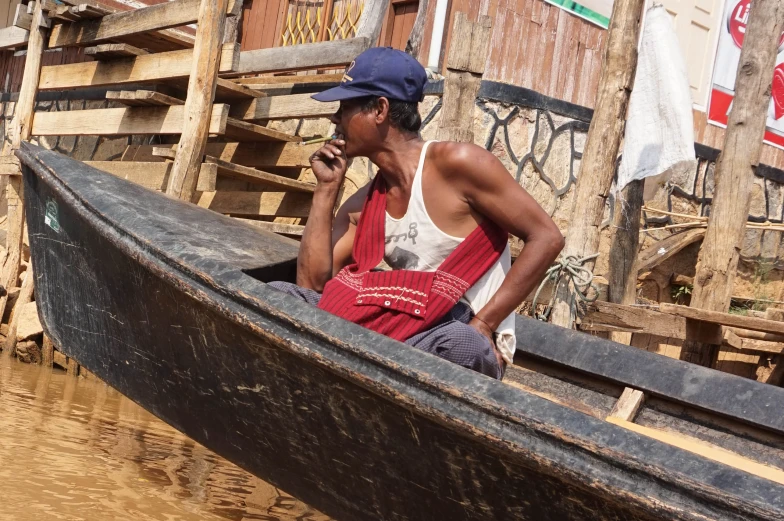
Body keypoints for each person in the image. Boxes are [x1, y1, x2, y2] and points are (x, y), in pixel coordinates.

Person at [269, 47, 564, 379]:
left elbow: (547, 237)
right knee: (278, 295)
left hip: (450, 331)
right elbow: (312, 287)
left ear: (379, 109)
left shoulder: (460, 165)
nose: (334, 119)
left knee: (462, 344)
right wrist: (326, 190)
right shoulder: (363, 204)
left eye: (345, 107)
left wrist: (485, 323)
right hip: (394, 330)